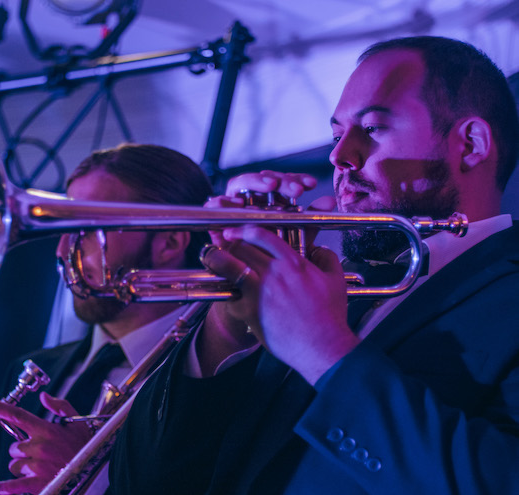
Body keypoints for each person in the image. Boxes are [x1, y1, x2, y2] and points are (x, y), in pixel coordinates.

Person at [108, 36, 519, 494]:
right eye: (336, 134)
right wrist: (229, 322)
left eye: (374, 128)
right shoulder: (331, 289)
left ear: (471, 144)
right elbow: (145, 482)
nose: (339, 157)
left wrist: (322, 349)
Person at [0, 143, 213, 494]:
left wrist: (89, 480)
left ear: (169, 243)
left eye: (86, 228)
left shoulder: (214, 377)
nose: (62, 251)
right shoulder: (29, 369)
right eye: (63, 227)